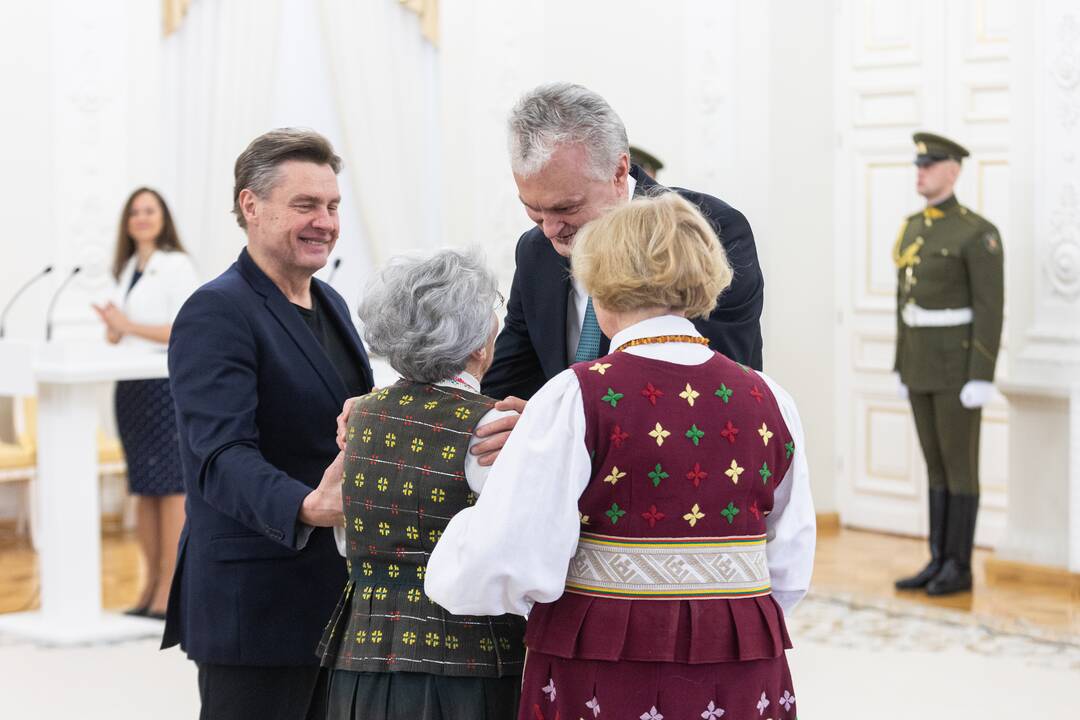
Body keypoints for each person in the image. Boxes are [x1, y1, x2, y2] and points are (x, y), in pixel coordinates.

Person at [426, 193, 815, 720]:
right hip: (742, 663)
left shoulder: (574, 396)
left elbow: (512, 555)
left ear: (598, 282)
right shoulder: (769, 396)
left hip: (604, 660)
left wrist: (453, 561)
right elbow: (789, 564)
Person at [164, 128, 374, 720]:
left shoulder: (329, 300)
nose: (326, 222)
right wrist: (308, 505)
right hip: (253, 604)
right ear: (250, 206)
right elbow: (219, 456)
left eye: (333, 206)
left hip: (334, 596)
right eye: (306, 206)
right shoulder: (216, 310)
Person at [319, 249, 524, 720]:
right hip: (469, 661)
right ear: (478, 346)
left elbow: (349, 536)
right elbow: (522, 550)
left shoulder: (360, 416)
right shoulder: (495, 428)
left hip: (361, 658)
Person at [480, 82, 765, 408]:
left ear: (618, 172)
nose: (549, 230)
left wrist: (554, 430)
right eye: (533, 210)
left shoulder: (707, 233)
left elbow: (710, 388)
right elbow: (504, 384)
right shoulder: (534, 252)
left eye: (566, 208)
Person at [893, 132, 1004, 596]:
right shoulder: (914, 227)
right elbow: (905, 301)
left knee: (960, 468)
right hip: (919, 363)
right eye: (918, 164)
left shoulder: (977, 232)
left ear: (953, 171)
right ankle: (937, 558)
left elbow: (990, 308)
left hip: (957, 368)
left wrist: (981, 374)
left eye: (930, 164)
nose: (920, 171)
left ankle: (959, 565)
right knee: (935, 467)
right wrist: (901, 363)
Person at [92, 187, 199, 619]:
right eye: (134, 212)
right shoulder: (128, 268)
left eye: (149, 210)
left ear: (163, 217)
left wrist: (128, 325)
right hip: (132, 386)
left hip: (162, 383)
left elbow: (185, 327)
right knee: (143, 488)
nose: (141, 218)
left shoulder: (175, 264)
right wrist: (115, 328)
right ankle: (148, 583)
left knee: (170, 487)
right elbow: (122, 330)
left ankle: (170, 589)